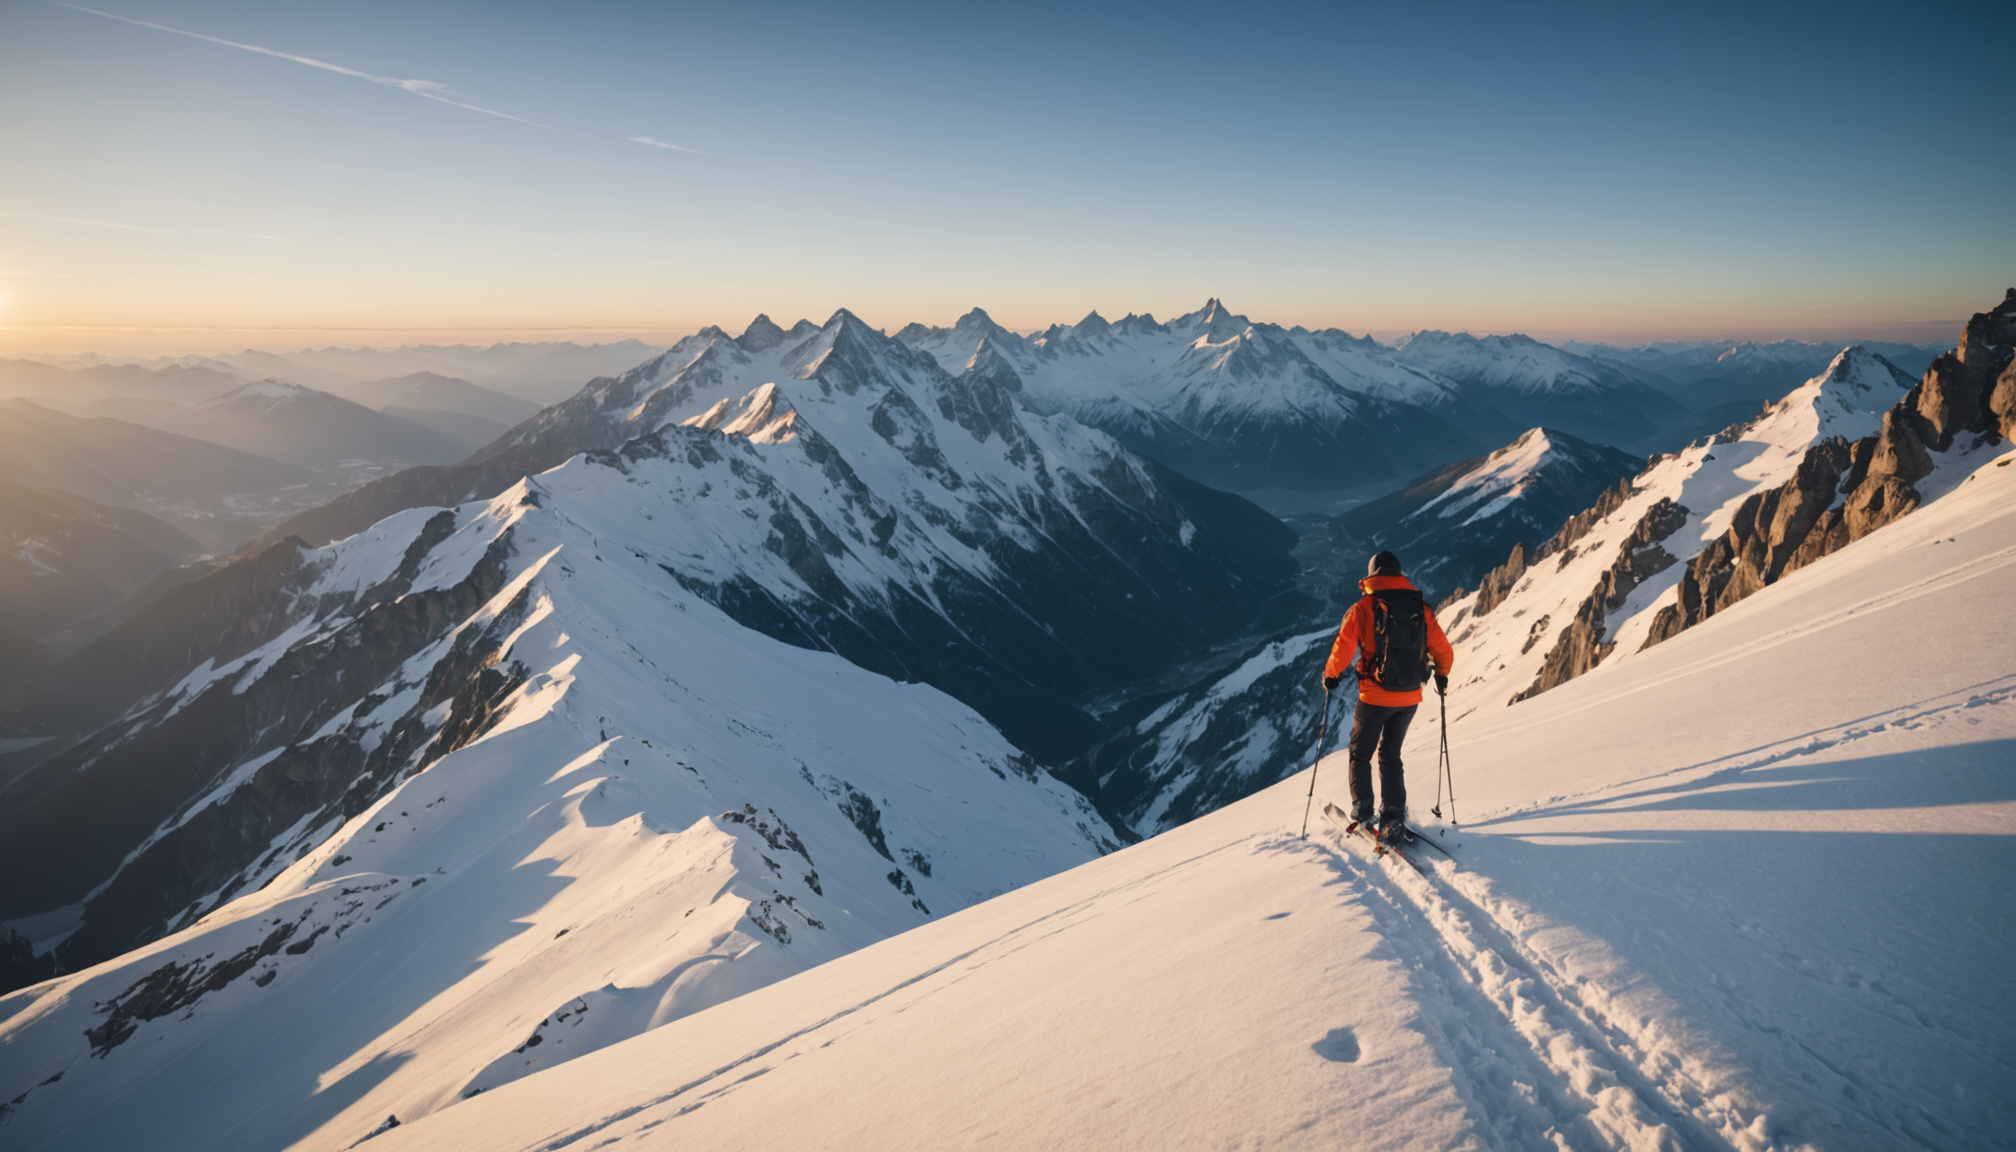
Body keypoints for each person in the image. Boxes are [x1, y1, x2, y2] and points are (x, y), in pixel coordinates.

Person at [1321, 550, 1454, 835]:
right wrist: (1441, 675)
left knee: (1360, 755)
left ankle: (1364, 812)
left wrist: (1331, 676)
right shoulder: (1420, 608)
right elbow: (1443, 650)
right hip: (1409, 697)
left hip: (1374, 697)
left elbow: (1342, 648)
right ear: (1399, 575)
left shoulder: (1362, 609)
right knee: (1391, 755)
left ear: (1372, 576)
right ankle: (1393, 816)